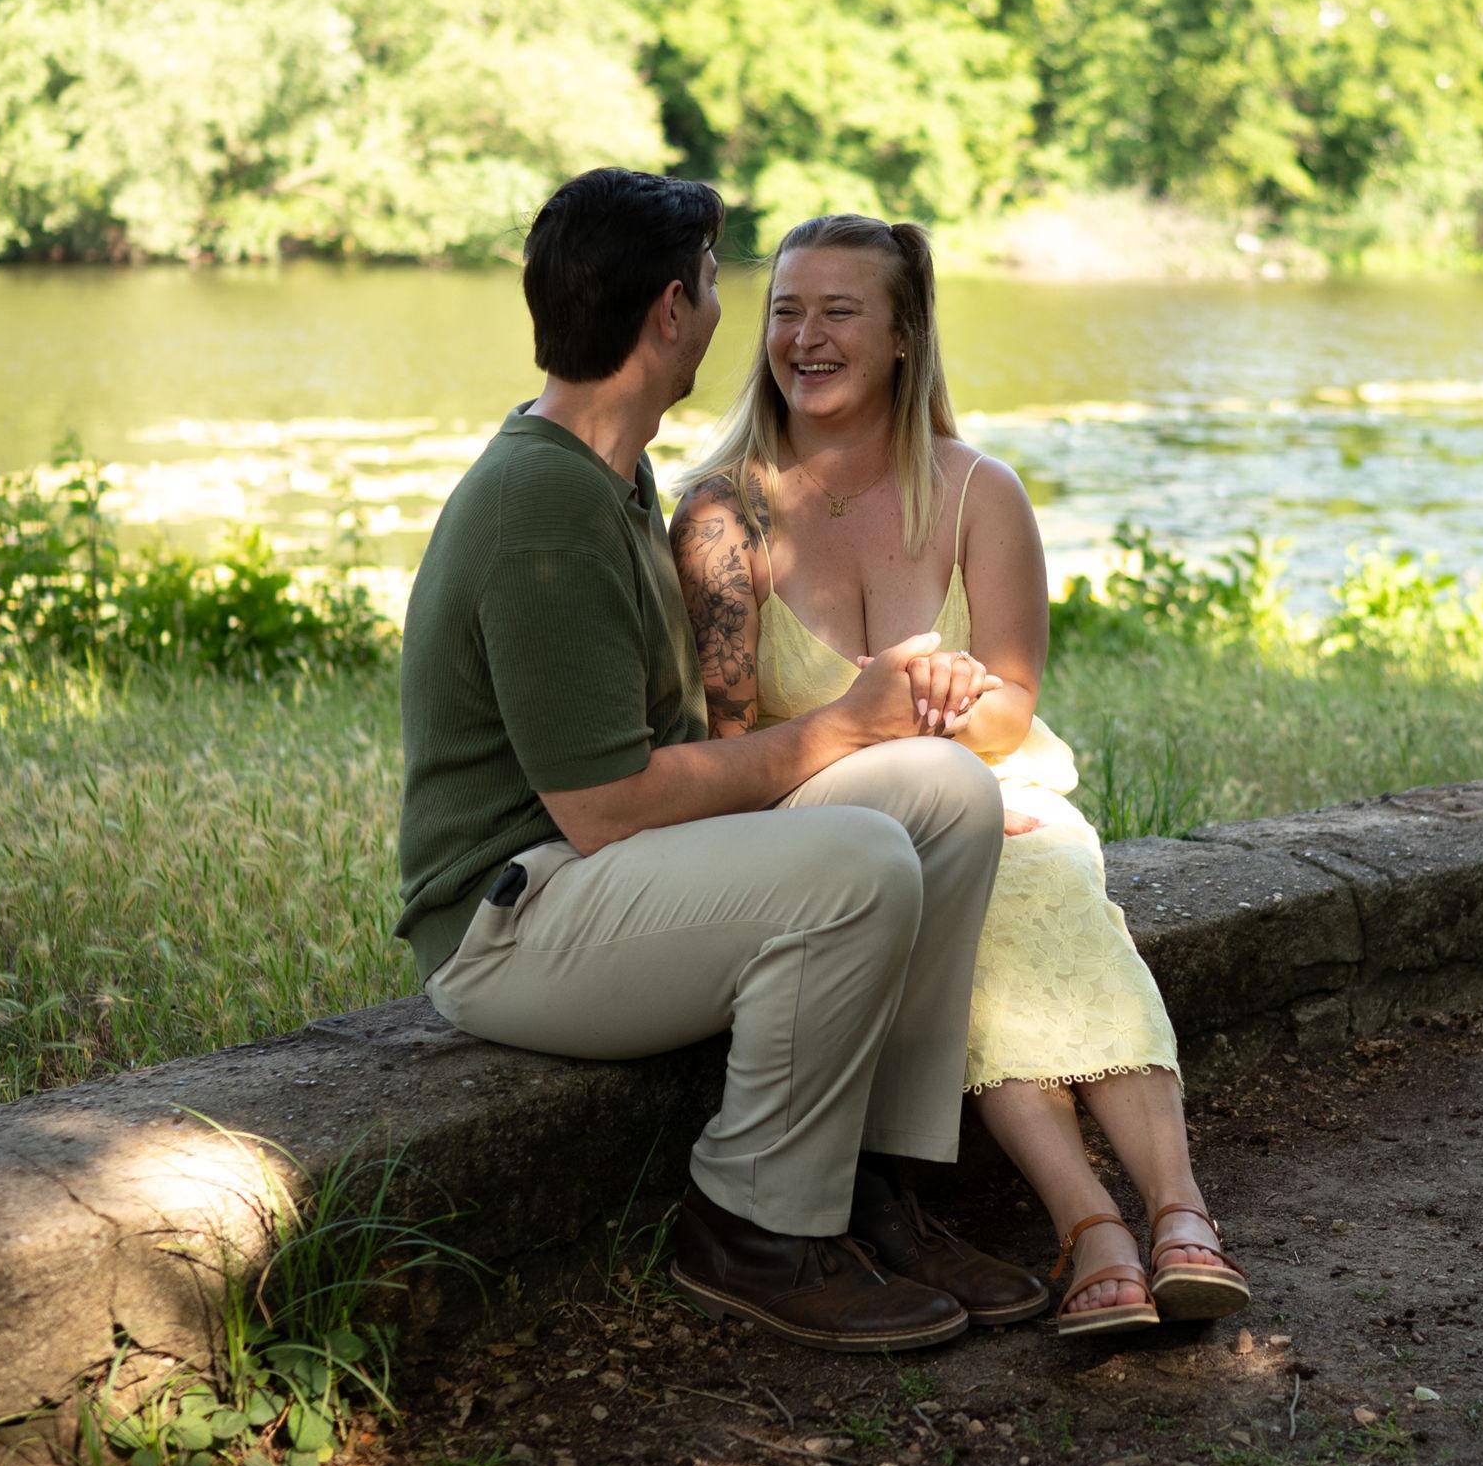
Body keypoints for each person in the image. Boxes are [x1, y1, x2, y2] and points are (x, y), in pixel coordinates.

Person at [395, 169, 1049, 1352]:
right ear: (667, 313)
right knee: (855, 854)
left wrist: (874, 737)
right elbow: (602, 807)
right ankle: (752, 1221)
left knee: (942, 791)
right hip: (513, 921)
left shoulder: (613, 473)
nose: (724, 310)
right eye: (711, 283)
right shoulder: (538, 505)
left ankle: (873, 1185)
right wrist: (839, 727)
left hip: (598, 879)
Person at [671, 213, 1249, 1335]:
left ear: (902, 334)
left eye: (840, 310)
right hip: (819, 815)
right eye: (787, 309)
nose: (805, 335)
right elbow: (730, 739)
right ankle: (1096, 1224)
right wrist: (907, 740)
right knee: (962, 863)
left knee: (1036, 884)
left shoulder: (979, 491)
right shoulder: (721, 512)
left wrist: (958, 761)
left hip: (1005, 787)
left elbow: (1009, 703)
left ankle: (1174, 1215)